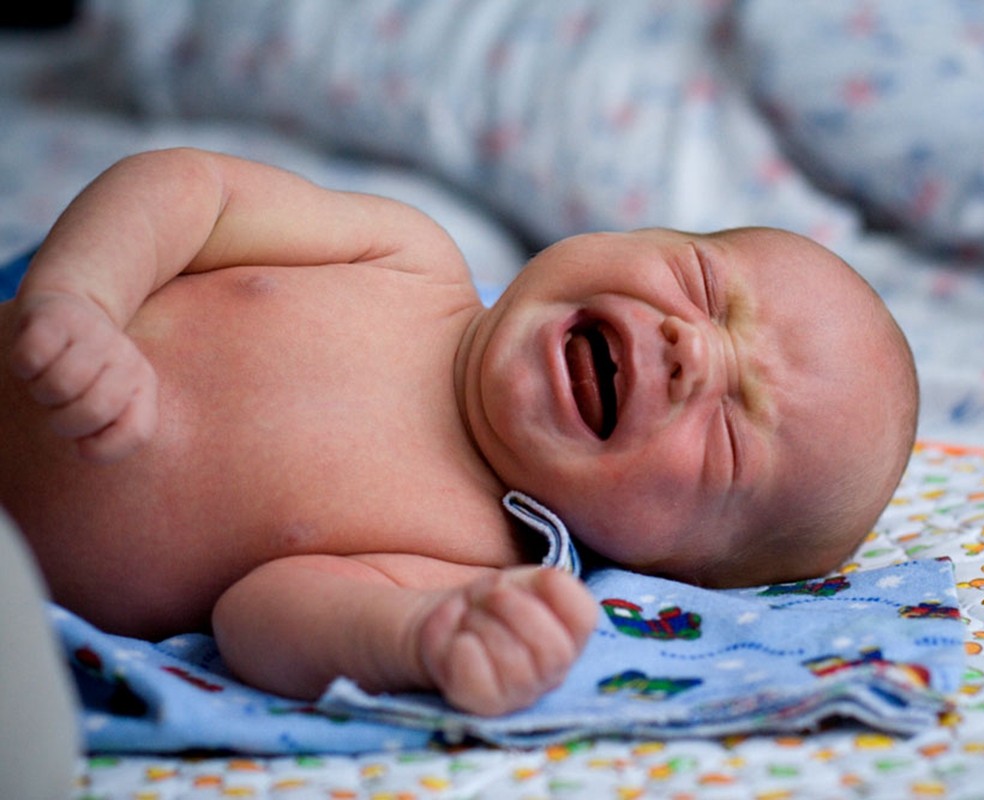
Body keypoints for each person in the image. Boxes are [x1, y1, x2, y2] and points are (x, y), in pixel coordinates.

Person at [0, 148, 918, 716]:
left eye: (725, 438)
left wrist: (417, 636)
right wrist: (82, 293)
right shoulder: (405, 255)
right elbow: (192, 190)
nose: (691, 352)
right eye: (706, 287)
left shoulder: (469, 555)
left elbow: (259, 624)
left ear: (665, 565)